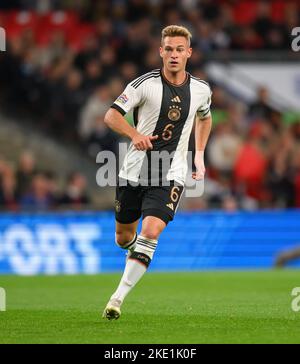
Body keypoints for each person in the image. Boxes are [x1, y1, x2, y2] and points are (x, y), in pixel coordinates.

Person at [102, 25, 212, 320]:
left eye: (180, 49)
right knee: (124, 238)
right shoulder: (143, 84)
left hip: (171, 172)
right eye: (169, 49)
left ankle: (117, 298)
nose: (174, 55)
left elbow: (205, 118)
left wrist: (199, 155)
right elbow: (111, 115)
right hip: (134, 171)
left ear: (189, 53)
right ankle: (136, 252)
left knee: (151, 232)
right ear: (160, 52)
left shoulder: (201, 90)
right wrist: (134, 133)